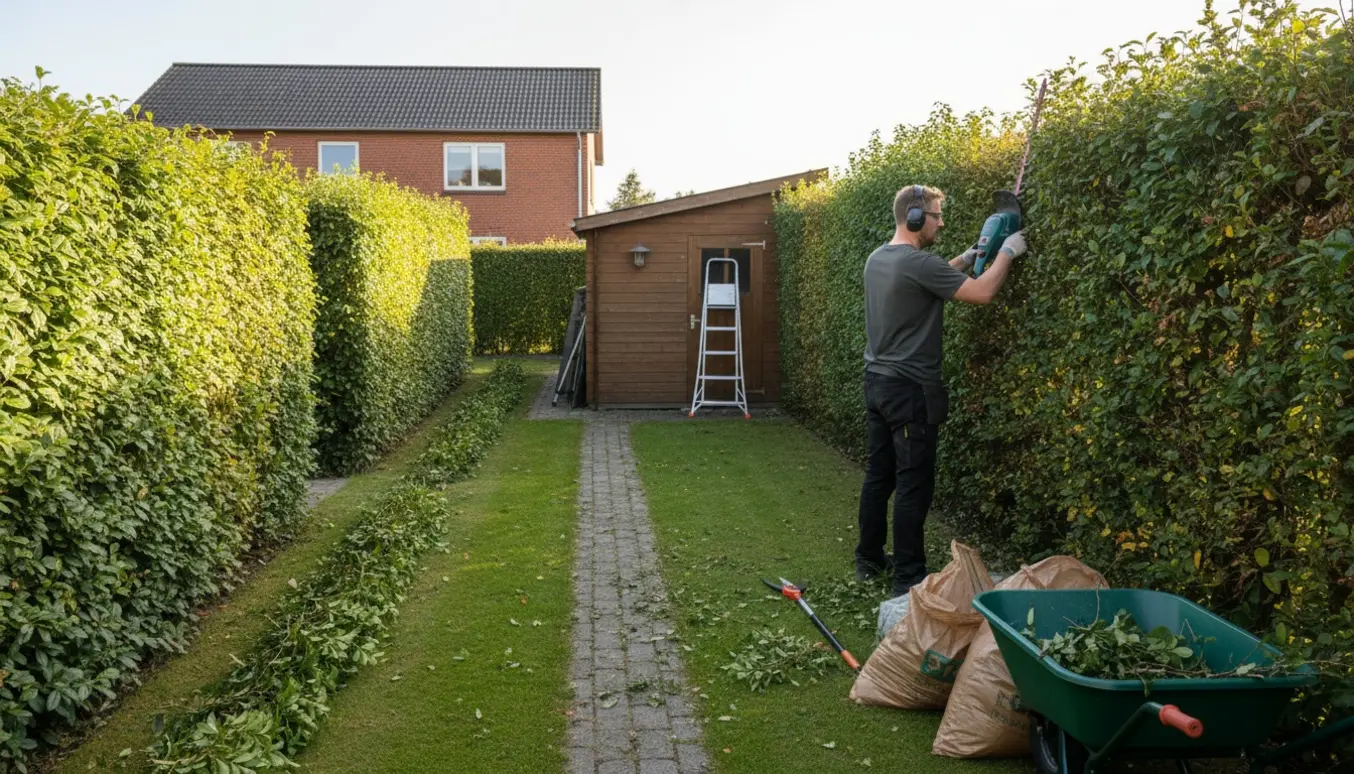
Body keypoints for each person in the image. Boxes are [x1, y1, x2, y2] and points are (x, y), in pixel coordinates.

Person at [855, 184, 1026, 596]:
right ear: (915, 219)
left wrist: (966, 259)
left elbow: (925, 282)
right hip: (910, 391)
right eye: (935, 215)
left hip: (876, 383)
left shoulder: (879, 259)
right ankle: (908, 578)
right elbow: (983, 293)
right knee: (914, 483)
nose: (941, 222)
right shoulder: (918, 263)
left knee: (880, 476)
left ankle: (869, 560)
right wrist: (1008, 252)